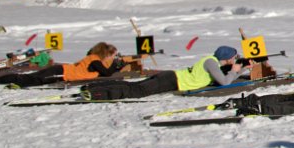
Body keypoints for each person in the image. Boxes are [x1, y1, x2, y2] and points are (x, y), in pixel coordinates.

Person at [82, 46, 244, 100]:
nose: (235, 59)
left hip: (171, 78)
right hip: (172, 80)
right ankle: (96, 93)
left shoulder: (211, 60)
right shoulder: (212, 63)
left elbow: (224, 78)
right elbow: (224, 82)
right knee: (135, 91)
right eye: (234, 57)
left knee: (134, 86)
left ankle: (93, 87)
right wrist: (236, 71)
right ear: (228, 58)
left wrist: (240, 70)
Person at [0, 42, 122, 87]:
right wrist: (118, 64)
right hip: (60, 73)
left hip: (60, 72)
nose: (112, 58)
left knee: (28, 80)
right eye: (112, 55)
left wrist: (117, 64)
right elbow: (107, 72)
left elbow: (104, 71)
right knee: (27, 80)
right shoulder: (94, 60)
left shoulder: (93, 58)